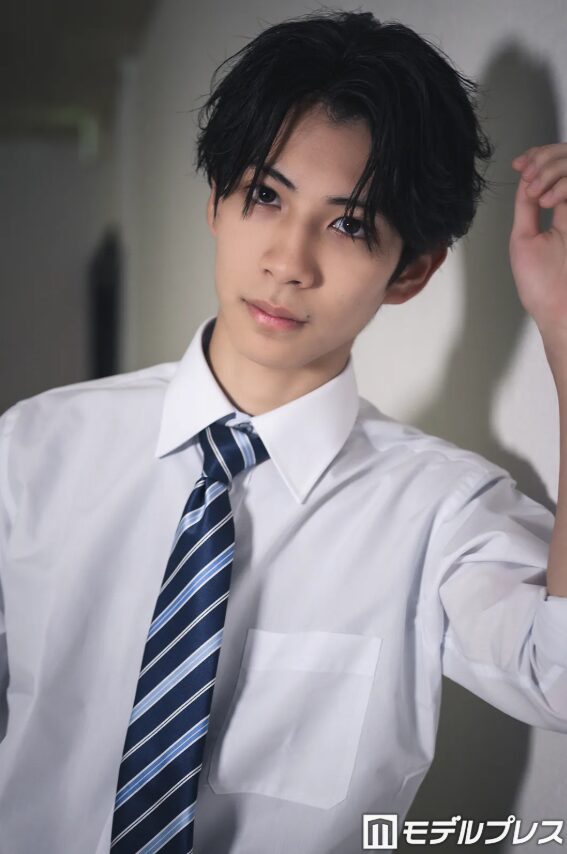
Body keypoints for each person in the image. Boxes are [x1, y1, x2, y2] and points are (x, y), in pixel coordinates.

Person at [0, 9, 566, 854]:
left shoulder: (439, 512)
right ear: (216, 201)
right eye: (265, 196)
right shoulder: (35, 447)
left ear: (409, 271)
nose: (287, 261)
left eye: (348, 224)